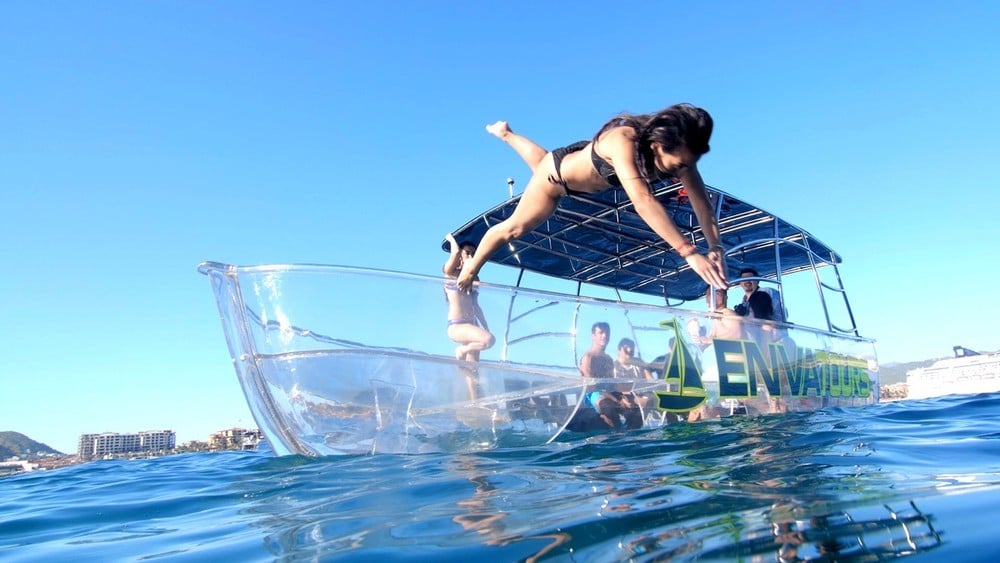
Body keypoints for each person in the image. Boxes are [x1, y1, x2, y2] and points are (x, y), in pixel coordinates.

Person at [457, 104, 728, 294]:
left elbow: (702, 204)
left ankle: (505, 133)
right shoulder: (625, 140)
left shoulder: (683, 159)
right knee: (514, 227)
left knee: (542, 160)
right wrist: (689, 251)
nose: (683, 171)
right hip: (557, 181)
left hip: (574, 163)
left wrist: (715, 246)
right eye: (678, 165)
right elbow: (643, 201)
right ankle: (470, 268)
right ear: (658, 145)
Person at [577, 323, 643, 430]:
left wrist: (623, 396)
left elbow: (613, 384)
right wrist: (616, 400)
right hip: (592, 395)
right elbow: (591, 387)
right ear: (593, 336)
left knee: (635, 410)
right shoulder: (588, 358)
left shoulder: (608, 359)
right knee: (609, 407)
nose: (604, 335)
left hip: (609, 393)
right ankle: (614, 437)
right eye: (600, 333)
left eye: (607, 333)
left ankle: (630, 436)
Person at [443, 233, 495, 364]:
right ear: (461, 255)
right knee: (489, 340)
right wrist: (450, 238)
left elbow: (476, 306)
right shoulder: (451, 273)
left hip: (472, 324)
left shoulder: (474, 279)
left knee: (472, 367)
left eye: (473, 253)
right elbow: (454, 252)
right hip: (457, 325)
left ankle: (471, 384)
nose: (471, 256)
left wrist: (486, 326)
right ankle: (462, 350)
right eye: (467, 253)